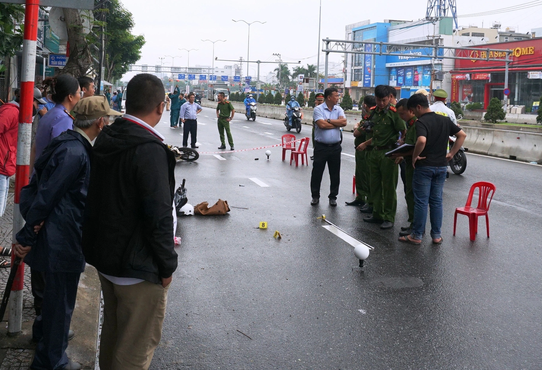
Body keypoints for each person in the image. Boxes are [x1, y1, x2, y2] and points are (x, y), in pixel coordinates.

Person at [14, 95, 119, 370]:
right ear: (99, 122)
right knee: (61, 302)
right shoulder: (75, 152)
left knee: (54, 297)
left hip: (58, 233)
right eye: (106, 119)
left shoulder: (68, 143)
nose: (107, 123)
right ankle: (52, 361)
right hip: (63, 237)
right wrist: (25, 237)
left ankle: (46, 335)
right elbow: (47, 196)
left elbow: (40, 189)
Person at [82, 73, 178, 370]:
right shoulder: (148, 149)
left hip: (108, 260)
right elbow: (158, 216)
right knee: (134, 352)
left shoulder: (109, 136)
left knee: (113, 337)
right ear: (161, 106)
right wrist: (167, 265)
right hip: (139, 267)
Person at [399, 93, 466, 245]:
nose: (414, 114)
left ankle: (416, 236)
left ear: (418, 107)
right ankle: (436, 235)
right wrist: (451, 153)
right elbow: (462, 135)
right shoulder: (444, 119)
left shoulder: (421, 122)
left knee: (421, 202)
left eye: (413, 111)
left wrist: (415, 156)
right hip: (441, 167)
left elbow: (421, 140)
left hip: (425, 167)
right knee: (436, 201)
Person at [0, 88, 46, 268]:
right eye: (36, 103)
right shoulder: (11, 112)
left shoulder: (15, 112)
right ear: (29, 100)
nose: (37, 107)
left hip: (5, 168)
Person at [357, 85, 406, 230]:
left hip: (388, 154)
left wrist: (401, 149)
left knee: (389, 187)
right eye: (378, 100)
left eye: (384, 100)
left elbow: (403, 131)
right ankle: (377, 213)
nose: (381, 103)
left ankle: (389, 216)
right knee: (375, 185)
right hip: (374, 152)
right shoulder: (374, 112)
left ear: (389, 98)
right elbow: (372, 129)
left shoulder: (394, 113)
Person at [32, 74, 81, 169]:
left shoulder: (52, 114)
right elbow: (62, 155)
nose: (80, 97)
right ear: (70, 97)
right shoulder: (63, 119)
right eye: (79, 93)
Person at [310, 87, 347, 206]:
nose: (338, 98)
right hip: (321, 147)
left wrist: (329, 121)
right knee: (317, 172)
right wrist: (336, 124)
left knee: (335, 173)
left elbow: (344, 123)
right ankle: (315, 196)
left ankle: (333, 196)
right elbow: (321, 125)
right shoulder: (318, 109)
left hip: (335, 147)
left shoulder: (339, 109)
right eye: (336, 95)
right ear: (329, 97)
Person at [390, 98, 418, 237]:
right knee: (409, 194)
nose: (401, 117)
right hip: (407, 162)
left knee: (413, 195)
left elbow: (418, 146)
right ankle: (413, 223)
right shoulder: (410, 125)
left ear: (411, 111)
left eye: (403, 114)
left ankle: (415, 226)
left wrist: (402, 153)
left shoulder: (417, 125)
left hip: (414, 166)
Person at [347, 95, 375, 208]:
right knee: (359, 174)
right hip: (361, 149)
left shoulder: (371, 118)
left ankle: (367, 200)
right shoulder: (367, 117)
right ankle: (360, 197)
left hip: (366, 150)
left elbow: (356, 133)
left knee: (365, 175)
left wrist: (356, 127)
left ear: (365, 106)